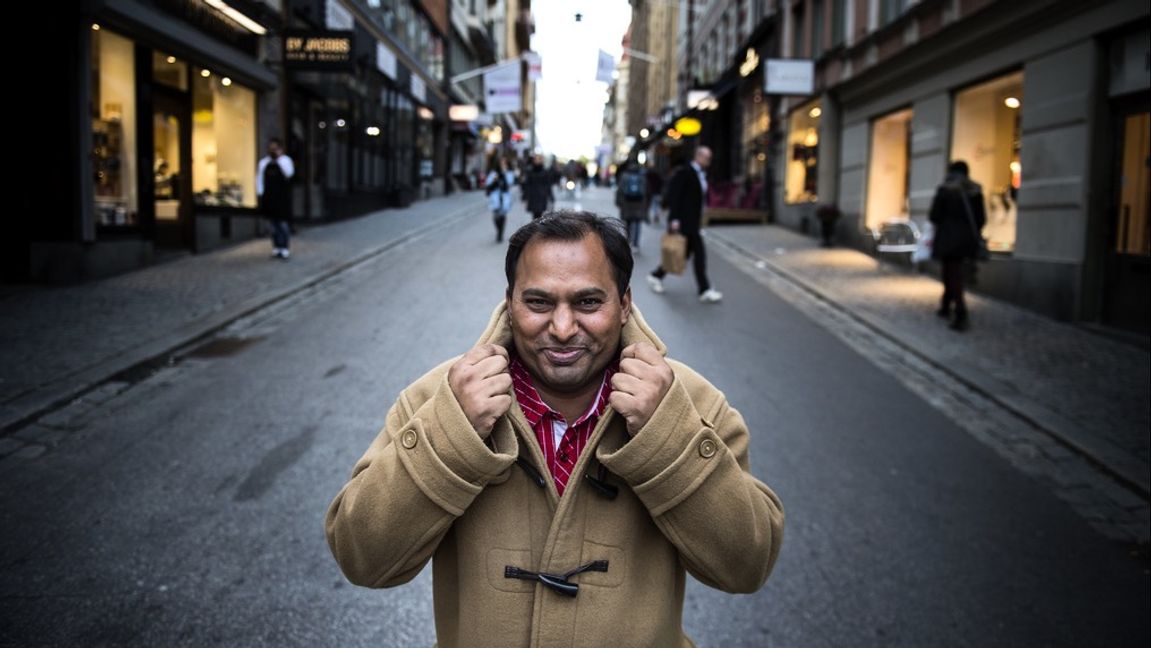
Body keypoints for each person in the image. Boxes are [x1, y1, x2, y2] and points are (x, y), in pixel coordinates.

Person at [325, 212, 784, 648]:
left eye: (587, 302)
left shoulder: (689, 403)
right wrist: (452, 435)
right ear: (510, 304)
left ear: (624, 305)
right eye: (538, 302)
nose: (563, 328)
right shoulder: (440, 399)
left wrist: (667, 436)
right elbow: (363, 559)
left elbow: (746, 565)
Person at [647, 146, 723, 303]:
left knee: (681, 254)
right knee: (699, 255)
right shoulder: (685, 172)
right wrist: (674, 219)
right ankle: (705, 289)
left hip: (693, 222)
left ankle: (656, 275)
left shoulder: (701, 175)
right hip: (684, 222)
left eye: (710, 158)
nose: (709, 162)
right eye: (707, 158)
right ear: (698, 156)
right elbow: (676, 196)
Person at [928, 160, 987, 332]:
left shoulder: (945, 190)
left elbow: (934, 216)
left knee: (951, 273)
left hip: (948, 238)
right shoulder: (975, 190)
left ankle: (960, 310)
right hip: (967, 239)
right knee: (955, 272)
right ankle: (946, 304)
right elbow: (981, 218)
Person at [256, 138, 295, 259]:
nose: (273, 151)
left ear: (280, 149)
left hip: (282, 197)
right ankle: (276, 247)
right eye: (271, 148)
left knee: (283, 223)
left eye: (275, 148)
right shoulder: (264, 163)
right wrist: (260, 193)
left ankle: (284, 247)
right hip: (269, 197)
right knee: (273, 224)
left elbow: (289, 173)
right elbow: (259, 179)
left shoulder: (285, 161)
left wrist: (278, 159)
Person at [614, 157, 648, 251]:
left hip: (627, 203)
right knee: (637, 224)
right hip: (638, 204)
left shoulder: (624, 176)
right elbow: (645, 191)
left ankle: (628, 241)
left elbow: (620, 190)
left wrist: (618, 202)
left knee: (627, 223)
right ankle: (636, 245)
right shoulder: (642, 176)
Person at [485, 156, 516, 242]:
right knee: (495, 217)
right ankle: (499, 230)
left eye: (504, 163)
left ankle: (500, 233)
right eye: (501, 163)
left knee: (502, 215)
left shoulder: (509, 173)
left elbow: (509, 184)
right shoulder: (493, 173)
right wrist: (495, 180)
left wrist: (504, 174)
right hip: (495, 197)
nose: (503, 164)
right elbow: (488, 185)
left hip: (504, 197)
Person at [521, 154, 554, 221]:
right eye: (536, 159)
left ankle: (537, 228)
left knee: (539, 213)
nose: (537, 161)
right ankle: (536, 228)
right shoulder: (530, 171)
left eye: (539, 159)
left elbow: (548, 185)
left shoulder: (545, 172)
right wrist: (525, 196)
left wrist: (550, 196)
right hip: (533, 196)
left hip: (541, 196)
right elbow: (527, 184)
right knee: (535, 214)